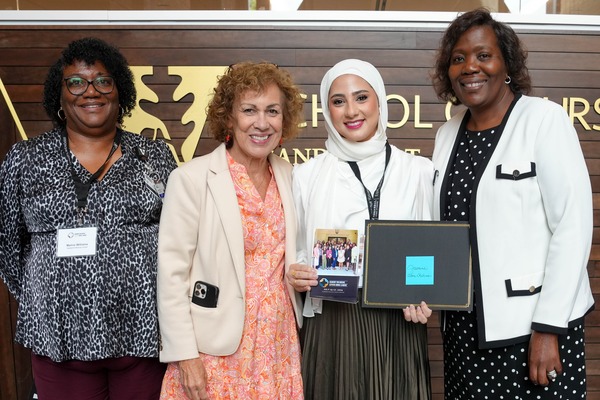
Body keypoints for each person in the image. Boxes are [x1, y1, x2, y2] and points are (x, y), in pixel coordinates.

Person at [0, 37, 177, 399]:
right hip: (58, 338)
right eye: (76, 82)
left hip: (142, 333)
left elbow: (181, 237)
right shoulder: (26, 159)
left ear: (120, 92)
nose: (90, 91)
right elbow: (7, 244)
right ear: (60, 96)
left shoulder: (154, 156)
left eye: (103, 81)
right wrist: (47, 292)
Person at [430, 8, 594, 399]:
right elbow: (435, 231)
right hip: (464, 333)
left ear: (506, 65)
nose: (470, 67)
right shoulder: (446, 135)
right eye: (458, 58)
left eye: (483, 55)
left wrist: (549, 327)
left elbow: (573, 227)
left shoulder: (544, 121)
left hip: (533, 332)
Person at [157, 61, 305, 400]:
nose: (262, 123)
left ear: (285, 119)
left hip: (278, 347)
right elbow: (171, 276)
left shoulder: (290, 175)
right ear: (229, 117)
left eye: (272, 111)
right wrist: (185, 355)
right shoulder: (191, 179)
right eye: (249, 110)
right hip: (214, 353)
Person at [288, 59, 434, 400]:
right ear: (327, 109)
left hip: (399, 323)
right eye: (338, 101)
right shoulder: (306, 176)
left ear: (380, 101)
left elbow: (430, 250)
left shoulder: (418, 171)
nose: (351, 111)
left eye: (361, 97)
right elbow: (295, 251)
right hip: (334, 324)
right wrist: (295, 273)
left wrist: (425, 293)